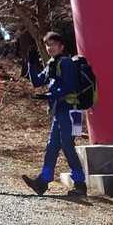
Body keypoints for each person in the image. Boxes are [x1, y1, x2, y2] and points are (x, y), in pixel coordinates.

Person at [21, 31, 89, 198]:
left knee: (67, 146)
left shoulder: (66, 63)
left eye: (53, 44)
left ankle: (80, 184)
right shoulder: (52, 63)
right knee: (52, 146)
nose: (50, 48)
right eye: (47, 45)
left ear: (61, 46)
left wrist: (49, 95)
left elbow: (69, 87)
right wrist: (31, 63)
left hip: (72, 110)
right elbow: (37, 81)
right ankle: (42, 182)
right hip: (59, 111)